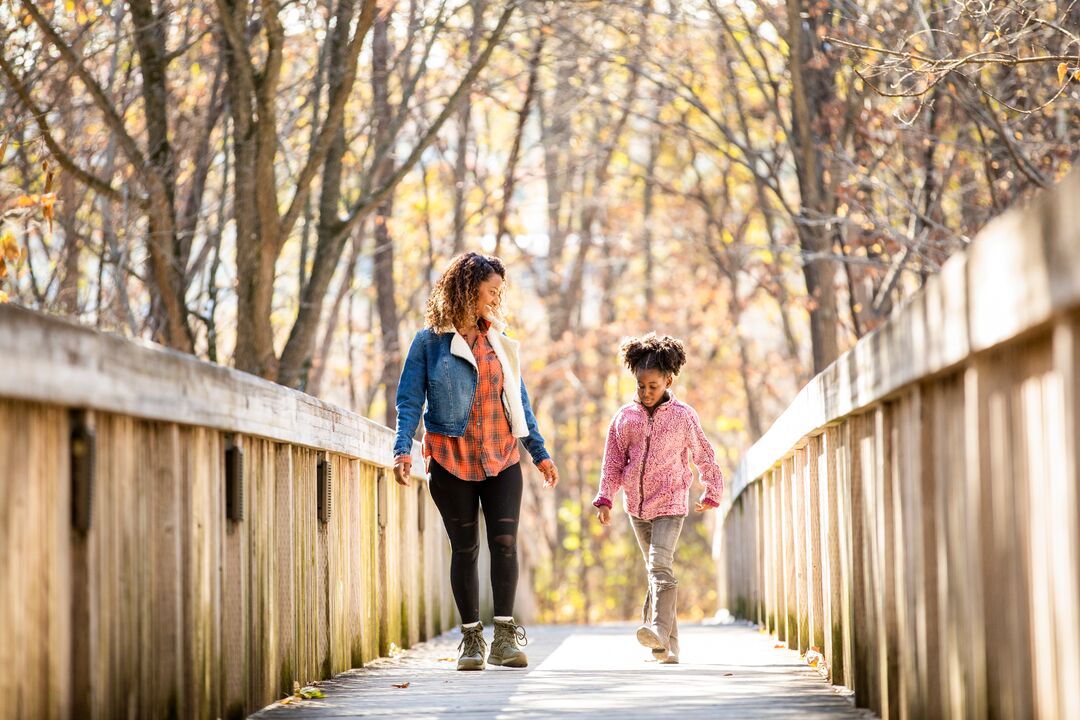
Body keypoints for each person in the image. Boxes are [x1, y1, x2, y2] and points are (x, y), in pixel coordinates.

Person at [393, 252, 559, 671]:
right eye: (491, 291)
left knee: (504, 543)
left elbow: (519, 401)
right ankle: (471, 640)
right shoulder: (429, 342)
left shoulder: (500, 340)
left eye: (499, 292)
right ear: (468, 289)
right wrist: (401, 450)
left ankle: (504, 636)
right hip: (451, 460)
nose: (495, 299)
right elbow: (410, 401)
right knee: (464, 548)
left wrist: (539, 453)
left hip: (501, 457)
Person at [592, 333, 724, 664]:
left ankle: (658, 632)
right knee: (655, 572)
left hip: (670, 504)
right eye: (641, 386)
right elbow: (612, 462)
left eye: (654, 386)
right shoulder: (625, 418)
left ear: (668, 379)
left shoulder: (683, 416)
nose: (647, 392)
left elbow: (704, 454)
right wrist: (605, 498)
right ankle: (669, 648)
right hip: (636, 508)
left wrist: (712, 489)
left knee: (660, 566)